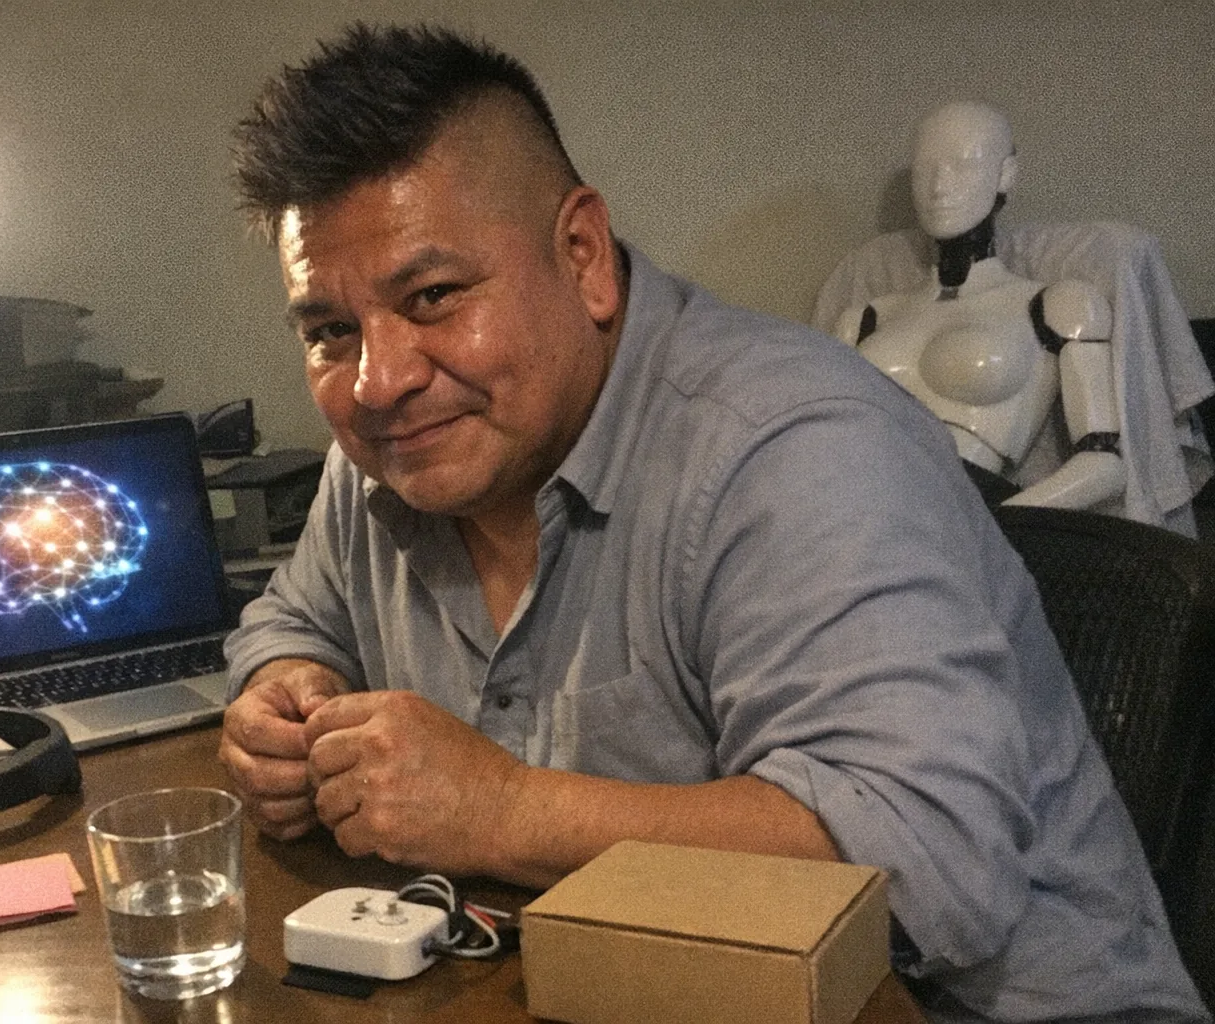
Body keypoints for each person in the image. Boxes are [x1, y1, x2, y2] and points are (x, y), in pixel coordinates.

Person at [219, 24, 1208, 1023]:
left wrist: (503, 810)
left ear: (583, 256)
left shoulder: (792, 446)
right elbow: (294, 620)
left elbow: (929, 862)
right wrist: (281, 692)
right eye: (329, 330)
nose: (377, 379)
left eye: (433, 295)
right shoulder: (389, 451)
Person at [832, 100, 1126, 511]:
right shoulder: (863, 320)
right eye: (924, 169)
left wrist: (995, 529)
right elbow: (825, 445)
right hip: (853, 512)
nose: (938, 187)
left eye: (963, 165)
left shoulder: (1057, 306)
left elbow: (1104, 464)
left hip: (970, 510)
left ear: (1005, 174)